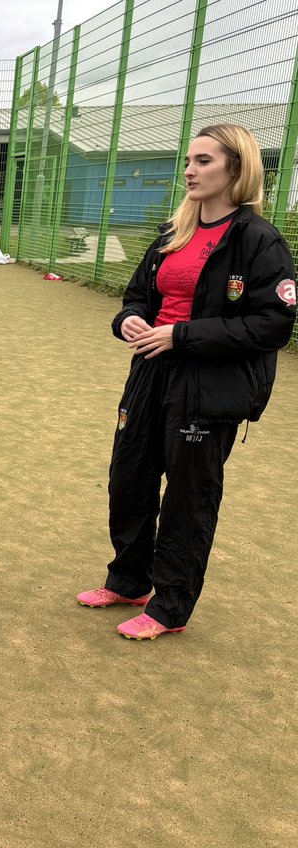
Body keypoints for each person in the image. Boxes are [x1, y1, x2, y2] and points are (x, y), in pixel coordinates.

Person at [76, 123, 296, 639]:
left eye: (203, 161)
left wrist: (183, 336)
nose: (190, 171)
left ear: (236, 170)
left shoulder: (259, 240)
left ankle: (170, 606)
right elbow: (137, 298)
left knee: (188, 496)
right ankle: (129, 580)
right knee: (128, 477)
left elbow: (274, 324)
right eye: (189, 161)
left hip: (207, 387)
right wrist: (129, 319)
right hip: (150, 373)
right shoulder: (173, 231)